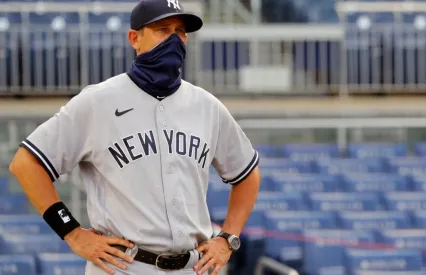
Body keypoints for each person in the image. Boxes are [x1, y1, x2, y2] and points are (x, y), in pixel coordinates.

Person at [8, 0, 261, 274]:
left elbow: (247, 174)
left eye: (180, 31)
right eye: (163, 30)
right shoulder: (98, 101)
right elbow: (25, 164)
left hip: (193, 267)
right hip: (125, 265)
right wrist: (72, 232)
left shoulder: (207, 106)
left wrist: (227, 238)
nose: (175, 40)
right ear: (134, 38)